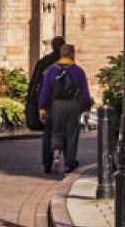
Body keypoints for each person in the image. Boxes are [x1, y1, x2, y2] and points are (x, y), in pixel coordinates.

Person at [35, 44, 90, 173]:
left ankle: (56, 155)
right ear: (72, 54)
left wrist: (42, 109)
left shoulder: (51, 70)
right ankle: (69, 163)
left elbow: (45, 91)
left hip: (56, 105)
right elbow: (84, 93)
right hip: (73, 105)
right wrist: (86, 108)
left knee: (56, 131)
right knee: (71, 134)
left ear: (61, 54)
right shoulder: (78, 70)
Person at [29, 35, 65, 142]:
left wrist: (32, 98)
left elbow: (35, 82)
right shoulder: (67, 63)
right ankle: (66, 155)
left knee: (48, 130)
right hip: (62, 100)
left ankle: (48, 155)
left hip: (47, 100)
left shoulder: (43, 62)